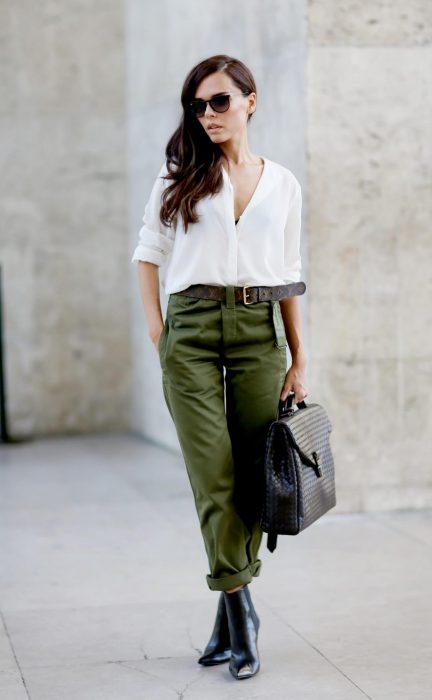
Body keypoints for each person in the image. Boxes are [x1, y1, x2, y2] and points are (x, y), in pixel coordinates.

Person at [131, 54, 309, 681]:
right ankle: (245, 612)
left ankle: (225, 615)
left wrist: (298, 358)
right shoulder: (180, 173)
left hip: (261, 336)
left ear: (250, 101)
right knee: (214, 476)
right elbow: (148, 252)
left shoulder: (281, 183)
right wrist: (159, 331)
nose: (208, 115)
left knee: (255, 478)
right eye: (198, 106)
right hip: (193, 332)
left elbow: (289, 275)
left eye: (220, 102)